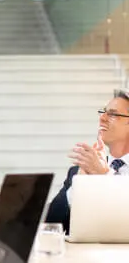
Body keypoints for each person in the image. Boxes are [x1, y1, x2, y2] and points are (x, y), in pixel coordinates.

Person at [45, 89, 129, 233]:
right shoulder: (80, 171)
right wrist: (79, 182)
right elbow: (50, 223)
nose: (102, 118)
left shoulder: (101, 171)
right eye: (103, 112)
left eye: (113, 114)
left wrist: (105, 176)